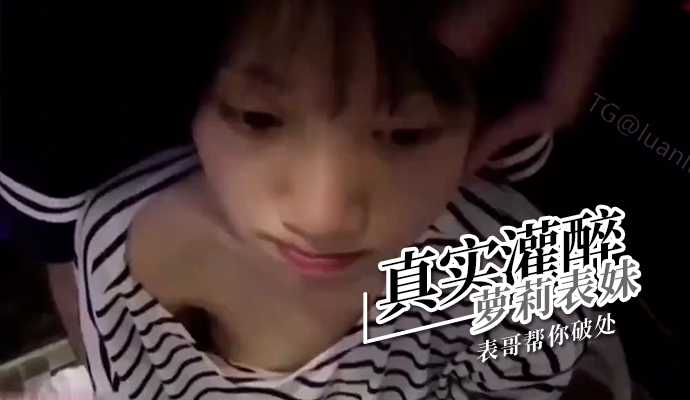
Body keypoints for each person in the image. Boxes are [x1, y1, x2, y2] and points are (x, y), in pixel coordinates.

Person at [0, 1, 631, 399]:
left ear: (488, 121)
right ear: (186, 104)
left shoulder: (533, 277)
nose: (324, 217)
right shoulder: (118, 248)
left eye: (406, 133)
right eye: (259, 118)